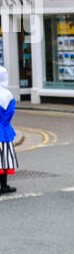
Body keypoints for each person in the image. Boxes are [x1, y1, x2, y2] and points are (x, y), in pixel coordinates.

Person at [0, 66, 18, 195]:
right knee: (4, 160)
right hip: (4, 132)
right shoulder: (8, 95)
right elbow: (10, 112)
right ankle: (4, 186)